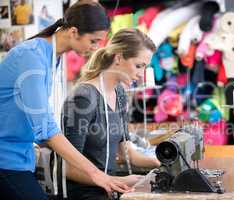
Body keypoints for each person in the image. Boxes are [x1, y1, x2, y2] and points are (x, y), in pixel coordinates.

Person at [0, 1, 131, 200]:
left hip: (22, 157)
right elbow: (45, 128)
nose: (95, 48)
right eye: (93, 41)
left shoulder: (54, 58)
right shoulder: (31, 57)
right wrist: (96, 174)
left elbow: (38, 125)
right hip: (5, 158)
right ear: (73, 32)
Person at [62, 28, 160, 200]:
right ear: (119, 57)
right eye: (138, 66)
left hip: (110, 188)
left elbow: (125, 152)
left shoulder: (120, 94)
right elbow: (68, 168)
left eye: (144, 67)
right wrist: (114, 180)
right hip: (83, 193)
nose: (141, 74)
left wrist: (160, 162)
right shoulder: (83, 98)